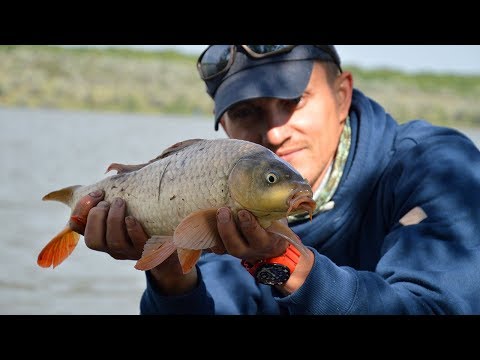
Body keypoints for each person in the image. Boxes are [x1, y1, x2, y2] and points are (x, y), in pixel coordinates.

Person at [71, 45, 480, 314]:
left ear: (342, 95)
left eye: (292, 102)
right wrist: (170, 274)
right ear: (224, 130)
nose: (275, 130)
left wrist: (284, 262)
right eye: (247, 112)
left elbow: (437, 308)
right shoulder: (222, 196)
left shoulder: (436, 166)